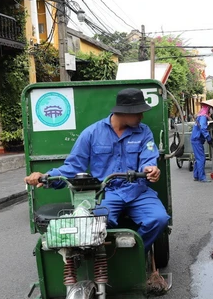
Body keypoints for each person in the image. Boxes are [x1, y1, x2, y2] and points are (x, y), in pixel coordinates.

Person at [24, 88, 170, 251]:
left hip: (137, 191)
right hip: (104, 193)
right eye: (138, 113)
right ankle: (105, 262)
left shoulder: (144, 132)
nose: (142, 116)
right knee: (93, 223)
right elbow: (73, 167)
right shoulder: (92, 133)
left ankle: (135, 255)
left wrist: (151, 169)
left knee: (159, 219)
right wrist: (46, 177)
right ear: (123, 112)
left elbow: (148, 160)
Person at [191, 99, 213, 182]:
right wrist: (209, 138)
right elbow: (203, 129)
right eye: (212, 109)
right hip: (197, 140)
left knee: (198, 158)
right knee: (201, 158)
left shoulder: (201, 115)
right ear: (209, 108)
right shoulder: (203, 117)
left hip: (196, 139)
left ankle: (196, 175)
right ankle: (202, 177)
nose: (212, 112)